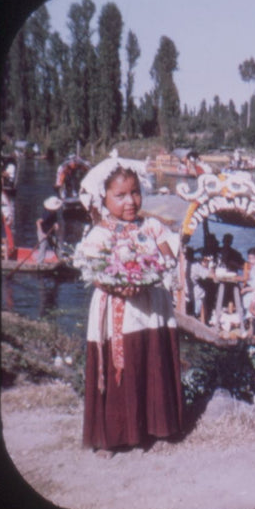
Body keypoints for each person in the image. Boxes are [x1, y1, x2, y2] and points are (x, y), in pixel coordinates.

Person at [73, 158, 183, 455]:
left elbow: (169, 257)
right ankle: (113, 436)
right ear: (103, 198)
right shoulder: (99, 234)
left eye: (134, 192)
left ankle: (155, 427)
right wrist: (116, 285)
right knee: (120, 365)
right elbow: (94, 271)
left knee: (151, 359)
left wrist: (157, 271)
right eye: (120, 196)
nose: (130, 201)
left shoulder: (152, 227)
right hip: (118, 310)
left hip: (152, 307)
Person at [189, 250, 216, 319]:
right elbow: (212, 275)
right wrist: (211, 265)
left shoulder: (183, 264)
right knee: (204, 292)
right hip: (194, 296)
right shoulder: (196, 266)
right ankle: (204, 319)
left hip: (186, 293)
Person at [36, 196, 61, 264]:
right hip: (43, 232)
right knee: (43, 247)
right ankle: (39, 263)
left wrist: (56, 224)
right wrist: (42, 233)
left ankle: (60, 260)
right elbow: (38, 222)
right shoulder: (46, 214)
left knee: (56, 244)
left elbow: (54, 221)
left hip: (50, 231)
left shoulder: (54, 212)